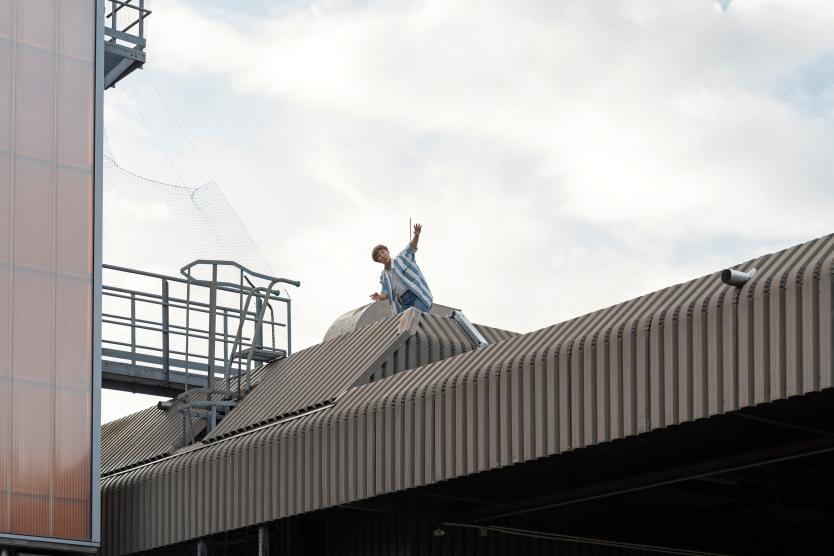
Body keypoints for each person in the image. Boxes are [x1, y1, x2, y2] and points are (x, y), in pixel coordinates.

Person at [370, 223, 433, 314]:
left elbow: (411, 247)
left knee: (414, 317)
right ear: (379, 261)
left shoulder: (402, 258)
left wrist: (416, 235)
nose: (382, 256)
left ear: (387, 251)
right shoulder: (384, 276)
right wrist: (379, 296)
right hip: (403, 302)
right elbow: (386, 293)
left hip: (417, 295)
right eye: (379, 256)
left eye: (382, 252)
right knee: (405, 322)